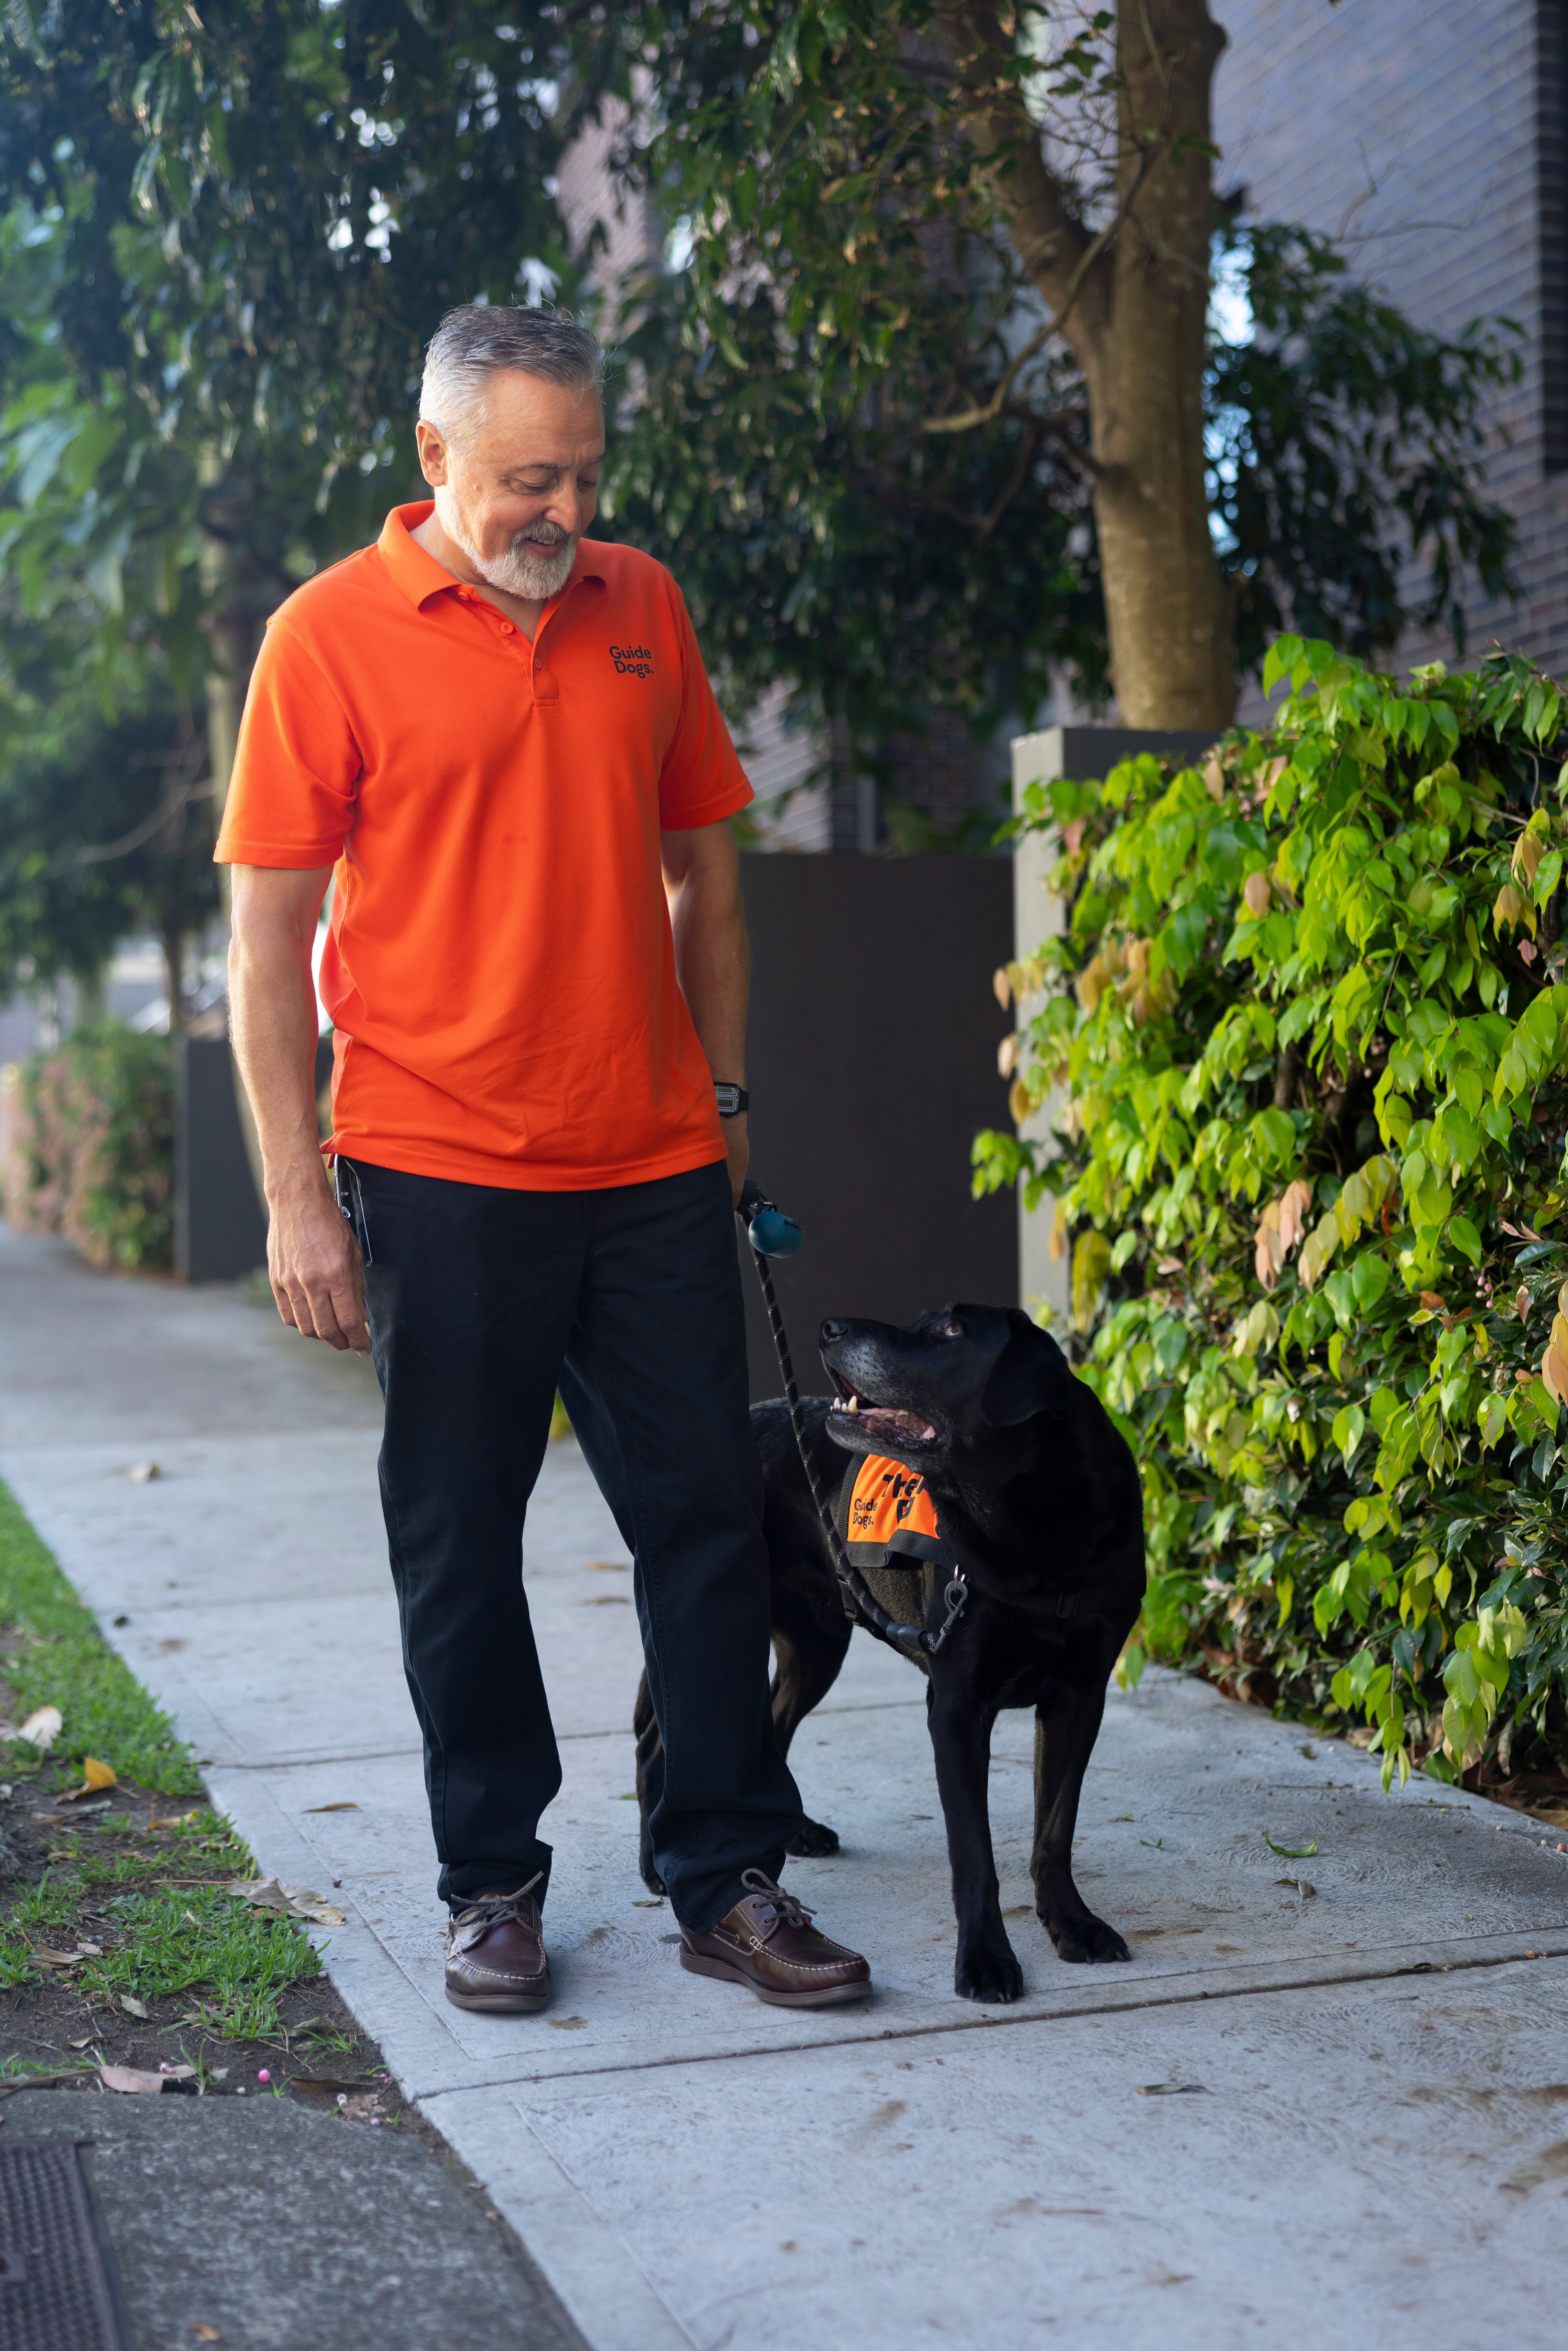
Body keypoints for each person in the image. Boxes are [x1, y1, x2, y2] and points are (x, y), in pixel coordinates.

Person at [219, 304, 870, 2016]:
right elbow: (265, 941)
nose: (558, 513)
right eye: (524, 479)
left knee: (707, 1530)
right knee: (459, 1537)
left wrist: (722, 1111)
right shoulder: (325, 639)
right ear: (433, 458)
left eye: (581, 475)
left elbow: (709, 878)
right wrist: (299, 1192)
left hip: (649, 1160)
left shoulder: (641, 604)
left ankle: (726, 1873)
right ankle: (492, 1884)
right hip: (432, 1166)